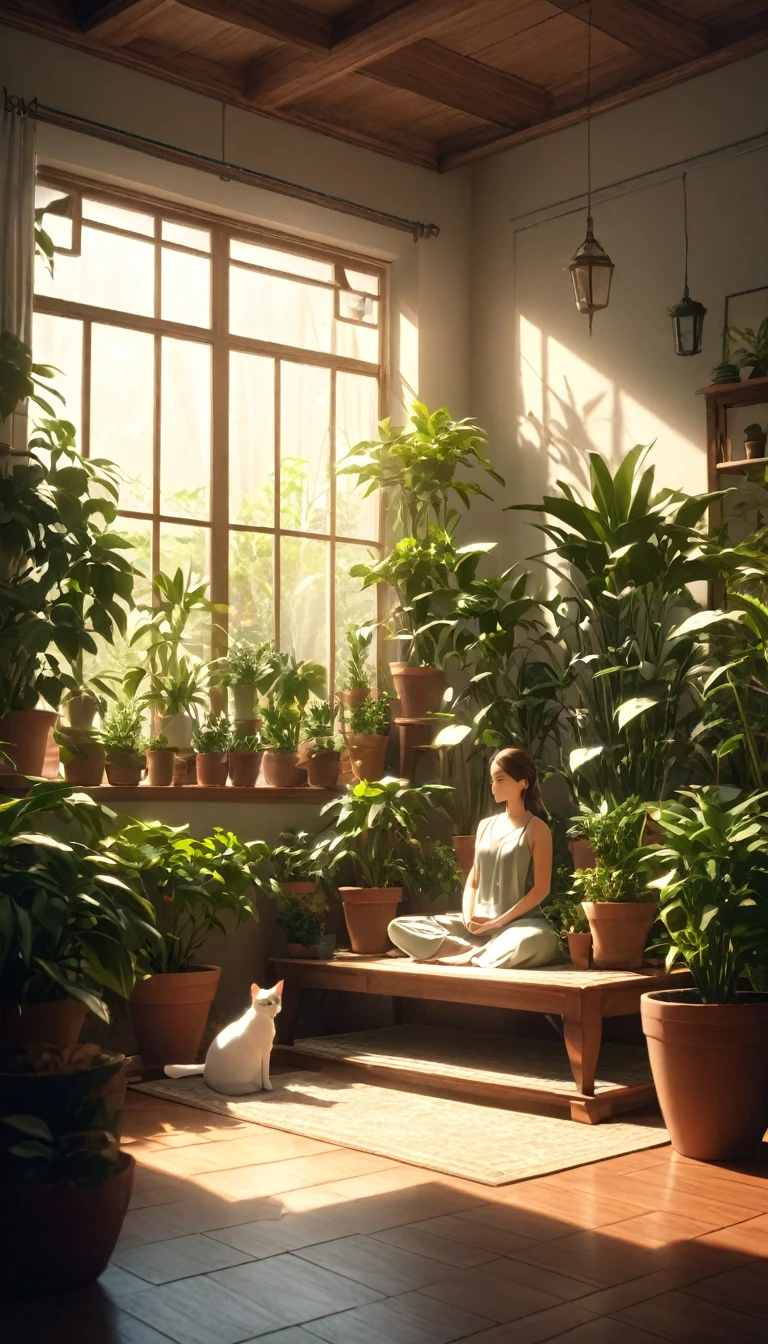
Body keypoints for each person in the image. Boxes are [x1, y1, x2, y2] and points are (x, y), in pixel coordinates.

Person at [388, 746, 559, 969]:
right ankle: (472, 950)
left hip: (517, 925)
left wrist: (498, 922)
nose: (493, 786)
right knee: (397, 927)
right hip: (476, 925)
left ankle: (469, 953)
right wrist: (469, 919)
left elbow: (541, 889)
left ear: (523, 782)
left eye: (500, 779)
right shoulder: (485, 826)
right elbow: (474, 880)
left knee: (535, 942)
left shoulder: (537, 829)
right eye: (491, 780)